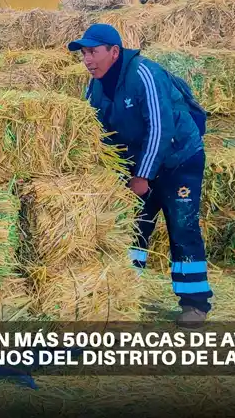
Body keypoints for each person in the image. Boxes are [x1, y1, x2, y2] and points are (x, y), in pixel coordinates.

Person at [68, 23, 212, 328]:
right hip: (137, 165)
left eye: (93, 52)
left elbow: (161, 128)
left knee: (182, 228)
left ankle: (195, 304)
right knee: (131, 229)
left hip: (178, 161)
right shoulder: (93, 86)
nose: (87, 60)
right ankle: (125, 296)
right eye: (84, 54)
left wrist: (141, 176)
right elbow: (91, 132)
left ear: (114, 51)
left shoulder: (143, 73)